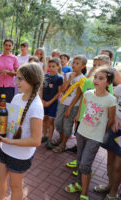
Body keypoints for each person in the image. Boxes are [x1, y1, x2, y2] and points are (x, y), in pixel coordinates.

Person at [64, 67, 116, 200]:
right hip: (82, 133)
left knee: (85, 165)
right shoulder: (88, 94)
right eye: (95, 77)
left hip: (95, 137)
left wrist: (100, 133)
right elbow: (84, 108)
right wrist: (78, 121)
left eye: (101, 78)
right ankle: (79, 184)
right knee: (80, 161)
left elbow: (110, 120)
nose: (96, 80)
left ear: (108, 83)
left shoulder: (110, 99)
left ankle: (84, 193)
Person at [0, 63, 44, 200]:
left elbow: (36, 140)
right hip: (5, 148)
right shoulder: (17, 97)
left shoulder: (36, 107)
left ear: (32, 80)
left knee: (15, 186)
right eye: (17, 78)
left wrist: (11, 141)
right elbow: (12, 123)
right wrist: (0, 122)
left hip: (20, 155)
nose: (17, 82)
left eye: (20, 79)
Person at [67, 55, 114, 175]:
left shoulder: (107, 88)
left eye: (100, 65)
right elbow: (83, 97)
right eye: (94, 65)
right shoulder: (88, 81)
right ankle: (79, 163)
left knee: (89, 149)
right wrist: (78, 114)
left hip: (95, 124)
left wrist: (104, 129)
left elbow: (110, 106)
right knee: (80, 142)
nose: (96, 67)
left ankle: (84, 167)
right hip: (83, 119)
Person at [53, 55, 87, 153]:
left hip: (73, 106)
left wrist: (69, 109)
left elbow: (77, 96)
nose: (74, 65)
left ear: (83, 66)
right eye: (74, 63)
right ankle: (61, 137)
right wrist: (68, 79)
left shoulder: (82, 79)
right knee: (58, 123)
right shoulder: (67, 74)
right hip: (63, 102)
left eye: (77, 63)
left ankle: (63, 144)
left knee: (67, 125)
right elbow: (62, 89)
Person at [94, 83, 121, 200]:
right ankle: (109, 185)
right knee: (110, 160)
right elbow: (113, 104)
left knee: (118, 166)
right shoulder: (120, 87)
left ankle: (114, 192)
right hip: (115, 127)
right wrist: (114, 118)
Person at [40, 58, 63, 149]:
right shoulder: (45, 76)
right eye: (50, 66)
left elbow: (59, 93)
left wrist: (49, 102)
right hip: (44, 102)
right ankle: (44, 136)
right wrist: (42, 100)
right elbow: (42, 88)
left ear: (58, 67)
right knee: (44, 119)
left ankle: (49, 140)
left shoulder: (59, 78)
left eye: (53, 66)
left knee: (50, 121)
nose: (51, 68)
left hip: (52, 103)